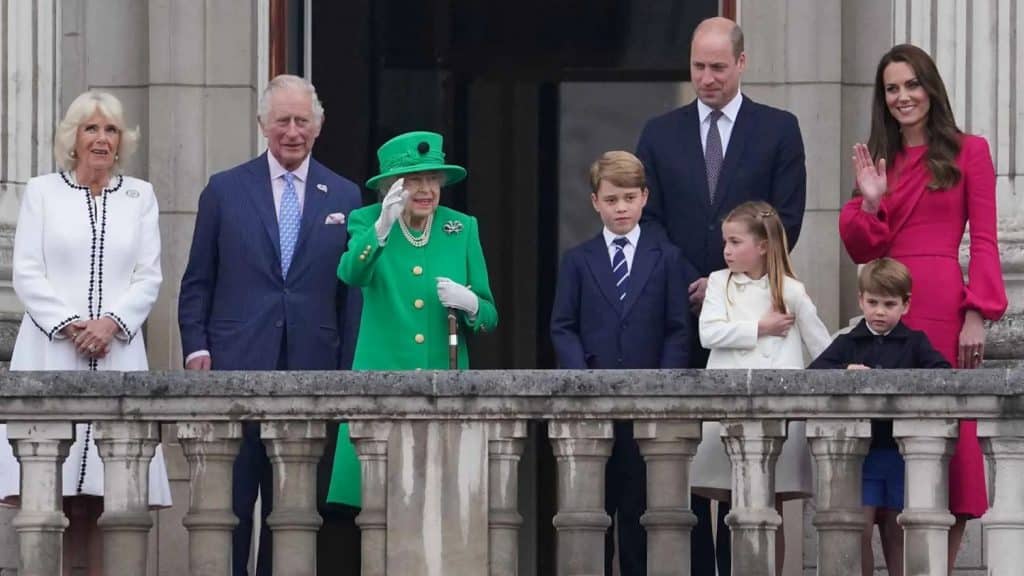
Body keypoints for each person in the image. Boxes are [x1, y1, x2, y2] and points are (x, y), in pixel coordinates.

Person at [635, 18, 807, 572]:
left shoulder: (778, 128)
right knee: (686, 461)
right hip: (681, 313)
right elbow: (650, 219)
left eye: (716, 67)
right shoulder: (659, 133)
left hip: (754, 318)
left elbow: (787, 218)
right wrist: (700, 283)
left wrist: (730, 280)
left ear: (741, 64)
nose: (705, 78)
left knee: (746, 462)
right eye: (697, 67)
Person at [177, 74, 361, 576]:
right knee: (232, 511)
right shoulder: (224, 190)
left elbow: (352, 295)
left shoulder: (345, 196)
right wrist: (196, 349)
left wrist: (347, 374)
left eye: (302, 121)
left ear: (318, 128)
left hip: (313, 375)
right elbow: (198, 281)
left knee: (295, 514)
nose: (292, 131)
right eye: (283, 120)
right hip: (236, 371)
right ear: (263, 125)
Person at [841, 43, 1008, 572]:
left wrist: (977, 312)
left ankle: (934, 567)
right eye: (892, 88)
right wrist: (870, 200)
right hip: (888, 305)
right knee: (889, 444)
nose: (903, 96)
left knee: (947, 445)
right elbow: (861, 249)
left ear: (930, 88)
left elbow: (984, 238)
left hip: (941, 303)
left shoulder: (969, 150)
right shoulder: (878, 160)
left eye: (912, 84)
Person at [0, 90, 171, 575]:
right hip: (53, 353)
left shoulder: (140, 196)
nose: (101, 138)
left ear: (122, 142)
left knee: (108, 495)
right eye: (91, 128)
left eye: (111, 129)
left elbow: (148, 276)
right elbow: (28, 272)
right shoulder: (41, 192)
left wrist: (111, 324)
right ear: (72, 139)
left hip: (116, 354)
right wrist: (72, 325)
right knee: (53, 491)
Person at [326, 130, 497, 505]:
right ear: (391, 186)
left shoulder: (461, 228)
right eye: (415, 180)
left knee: (441, 506)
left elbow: (488, 316)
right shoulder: (367, 221)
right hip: (381, 391)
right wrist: (381, 229)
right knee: (380, 507)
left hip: (444, 395)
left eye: (432, 179)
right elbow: (351, 274)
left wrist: (470, 303)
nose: (426, 190)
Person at [550, 151, 696, 576]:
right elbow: (562, 326)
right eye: (611, 199)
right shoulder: (577, 260)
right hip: (591, 408)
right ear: (595, 201)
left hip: (647, 408)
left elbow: (677, 328)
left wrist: (662, 387)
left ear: (644, 198)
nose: (621, 208)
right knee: (592, 514)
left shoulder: (665, 256)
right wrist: (583, 382)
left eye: (629, 198)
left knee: (640, 514)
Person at [696, 200, 830, 575]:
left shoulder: (790, 290)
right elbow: (708, 333)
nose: (727, 250)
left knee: (771, 506)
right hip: (727, 406)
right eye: (726, 242)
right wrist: (760, 328)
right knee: (729, 503)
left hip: (778, 413)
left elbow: (822, 346)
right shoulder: (719, 283)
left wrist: (848, 365)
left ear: (763, 246)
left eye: (736, 242)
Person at [809, 257, 950, 576]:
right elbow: (814, 373)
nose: (880, 312)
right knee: (859, 527)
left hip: (902, 452)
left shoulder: (916, 343)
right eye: (872, 302)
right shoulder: (848, 342)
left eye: (889, 304)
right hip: (864, 453)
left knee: (897, 528)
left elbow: (942, 374)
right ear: (861, 299)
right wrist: (844, 371)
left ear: (906, 304)